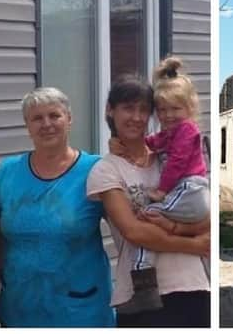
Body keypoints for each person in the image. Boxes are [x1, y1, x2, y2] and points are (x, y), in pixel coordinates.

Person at [87, 75, 211, 327]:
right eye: (128, 108)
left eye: (144, 109)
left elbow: (204, 216)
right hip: (139, 296)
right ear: (110, 110)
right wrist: (193, 244)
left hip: (192, 285)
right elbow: (134, 231)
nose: (136, 117)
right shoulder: (106, 170)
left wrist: (178, 228)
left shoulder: (172, 156)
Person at [0, 87, 115, 327]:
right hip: (19, 309)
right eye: (37, 118)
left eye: (54, 115)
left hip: (80, 311)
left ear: (69, 119)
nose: (46, 124)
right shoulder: (8, 172)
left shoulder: (95, 170)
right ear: (27, 126)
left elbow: (127, 230)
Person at [110, 57, 210, 301]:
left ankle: (143, 270)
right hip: (185, 193)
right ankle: (143, 275)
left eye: (175, 109)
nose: (168, 115)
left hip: (191, 188)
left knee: (148, 213)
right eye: (162, 110)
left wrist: (162, 191)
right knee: (148, 219)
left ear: (190, 109)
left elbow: (176, 163)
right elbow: (152, 143)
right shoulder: (169, 133)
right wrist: (122, 143)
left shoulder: (188, 131)